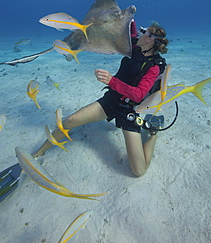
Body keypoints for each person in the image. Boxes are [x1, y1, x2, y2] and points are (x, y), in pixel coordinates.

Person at [32, 21, 169, 177]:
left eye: (143, 31)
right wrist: (129, 19)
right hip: (111, 101)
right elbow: (131, 34)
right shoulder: (135, 47)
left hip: (128, 110)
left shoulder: (154, 67)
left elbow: (138, 94)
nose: (139, 32)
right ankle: (38, 153)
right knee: (69, 121)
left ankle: (153, 133)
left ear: (150, 39)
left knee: (138, 171)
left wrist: (112, 81)